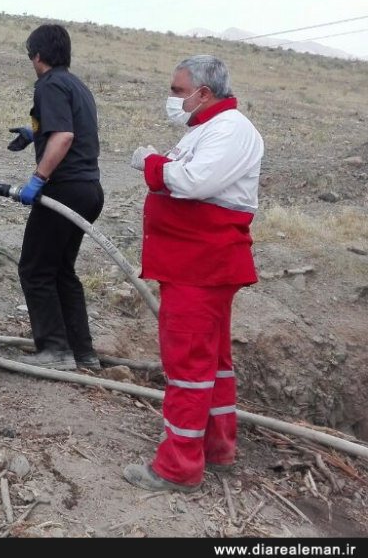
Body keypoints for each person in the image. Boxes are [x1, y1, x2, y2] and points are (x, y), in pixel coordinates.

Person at [123, 54, 263, 493]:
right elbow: (184, 176)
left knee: (187, 365)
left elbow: (192, 182)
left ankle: (178, 467)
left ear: (205, 92)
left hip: (201, 268)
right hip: (194, 265)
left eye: (179, 91)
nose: (173, 98)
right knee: (214, 363)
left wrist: (150, 163)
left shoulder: (231, 129)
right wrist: (165, 167)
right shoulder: (208, 129)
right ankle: (217, 448)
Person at [9, 24, 105, 371]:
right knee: (61, 270)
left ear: (37, 55)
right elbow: (67, 130)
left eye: (30, 55)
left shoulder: (49, 84)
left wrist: (38, 178)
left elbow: (64, 135)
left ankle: (55, 351)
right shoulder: (76, 84)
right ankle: (83, 352)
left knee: (35, 269)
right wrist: (34, 134)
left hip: (64, 188)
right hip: (89, 190)